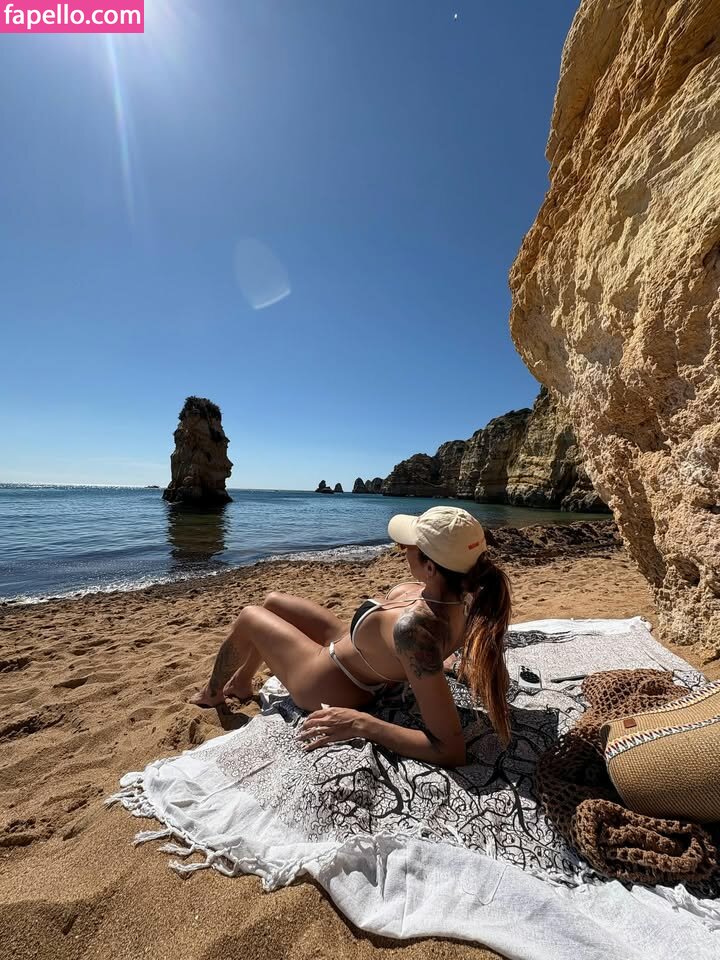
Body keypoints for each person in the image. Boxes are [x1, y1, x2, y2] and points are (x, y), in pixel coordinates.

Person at [190, 506, 513, 768]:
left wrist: (361, 724)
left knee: (250, 616)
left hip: (331, 681)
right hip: (358, 651)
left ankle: (213, 693)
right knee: (273, 601)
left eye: (410, 548)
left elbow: (450, 749)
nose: (403, 550)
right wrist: (449, 661)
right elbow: (451, 647)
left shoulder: (416, 630)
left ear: (430, 568)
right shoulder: (474, 597)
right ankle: (242, 682)